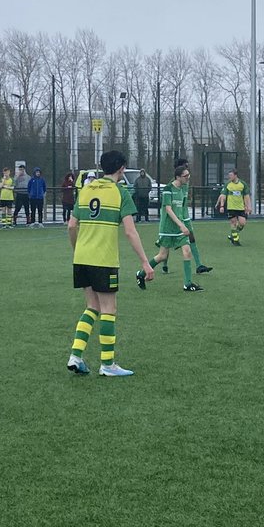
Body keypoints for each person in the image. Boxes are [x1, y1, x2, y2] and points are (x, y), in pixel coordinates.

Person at [66, 149, 155, 377]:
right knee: (108, 309)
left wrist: (77, 250)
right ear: (122, 168)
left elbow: (71, 226)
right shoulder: (119, 192)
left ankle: (75, 356)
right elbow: (130, 232)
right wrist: (145, 262)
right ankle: (107, 365)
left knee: (91, 307)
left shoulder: (86, 189)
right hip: (103, 259)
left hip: (82, 258)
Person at [138, 164, 205, 291]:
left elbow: (182, 208)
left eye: (188, 175)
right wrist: (181, 225)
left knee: (187, 251)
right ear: (178, 177)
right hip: (168, 228)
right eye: (185, 176)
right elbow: (168, 209)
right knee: (162, 256)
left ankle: (188, 283)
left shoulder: (183, 189)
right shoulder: (168, 189)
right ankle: (141, 274)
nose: (188, 178)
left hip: (179, 229)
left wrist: (184, 223)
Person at [172, 156, 211, 275]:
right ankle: (162, 265)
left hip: (185, 215)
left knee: (192, 238)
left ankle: (199, 265)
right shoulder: (173, 185)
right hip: (177, 217)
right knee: (166, 246)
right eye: (185, 166)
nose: (188, 169)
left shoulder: (186, 181)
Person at [216, 168, 250, 246]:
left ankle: (233, 235)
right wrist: (221, 206)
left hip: (240, 207)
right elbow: (223, 196)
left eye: (231, 175)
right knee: (233, 222)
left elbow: (246, 196)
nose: (229, 177)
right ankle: (235, 240)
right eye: (229, 175)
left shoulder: (242, 184)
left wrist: (248, 206)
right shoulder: (228, 184)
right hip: (231, 207)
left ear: (235, 175)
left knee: (242, 223)